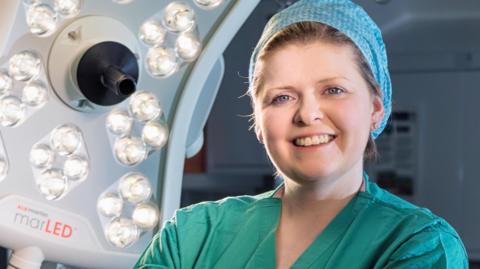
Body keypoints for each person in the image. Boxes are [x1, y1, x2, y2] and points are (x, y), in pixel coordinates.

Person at [134, 0, 468, 268]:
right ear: (259, 123)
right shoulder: (191, 236)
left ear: (376, 109)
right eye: (282, 97)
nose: (307, 114)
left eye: (334, 90)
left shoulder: (418, 245)